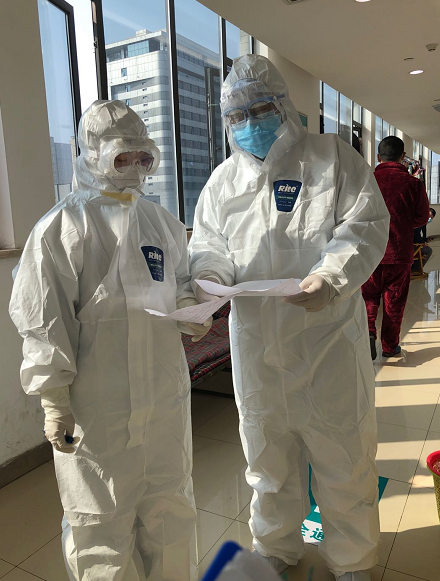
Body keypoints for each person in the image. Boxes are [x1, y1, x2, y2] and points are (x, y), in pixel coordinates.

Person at [189, 55, 390, 581]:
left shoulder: (332, 158)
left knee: (342, 457)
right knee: (267, 462)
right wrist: (208, 277)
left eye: (259, 110)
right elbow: (208, 244)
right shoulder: (223, 182)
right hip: (257, 348)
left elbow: (365, 224)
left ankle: (352, 560)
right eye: (237, 115)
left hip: (326, 341)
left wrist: (331, 277)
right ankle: (276, 546)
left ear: (283, 106)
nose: (249, 123)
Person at [9, 100, 210, 581]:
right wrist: (54, 400)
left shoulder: (160, 222)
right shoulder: (62, 227)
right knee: (99, 526)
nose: (136, 167)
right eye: (124, 156)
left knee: (170, 511)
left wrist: (190, 307)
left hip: (163, 401)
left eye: (144, 157)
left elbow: (182, 279)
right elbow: (43, 320)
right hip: (97, 410)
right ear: (93, 153)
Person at [361, 137, 430, 359]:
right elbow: (422, 218)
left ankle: (368, 334)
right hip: (399, 252)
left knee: (368, 297)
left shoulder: (365, 181)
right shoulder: (413, 184)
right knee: (395, 301)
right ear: (403, 157)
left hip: (368, 251)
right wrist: (403, 222)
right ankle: (390, 347)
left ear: (378, 157)